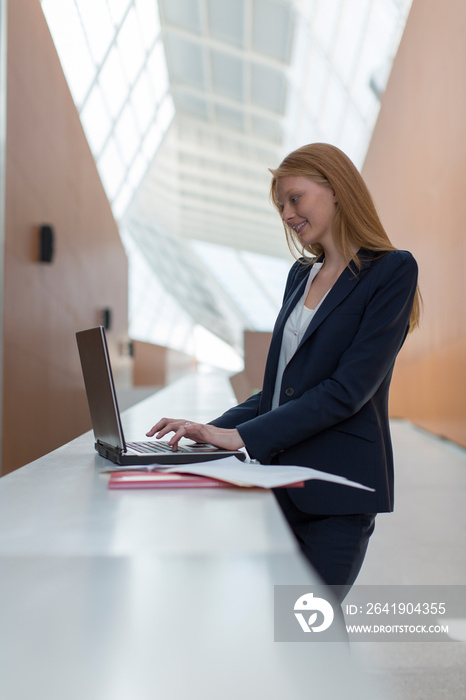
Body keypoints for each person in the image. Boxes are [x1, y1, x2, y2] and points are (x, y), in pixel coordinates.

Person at [146, 143, 420, 601]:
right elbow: (276, 391)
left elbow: (347, 390)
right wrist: (206, 431)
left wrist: (243, 438)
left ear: (336, 189)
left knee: (309, 628)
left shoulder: (391, 271)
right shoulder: (300, 275)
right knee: (285, 635)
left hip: (337, 488)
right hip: (277, 484)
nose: (287, 214)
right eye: (280, 206)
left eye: (295, 198)